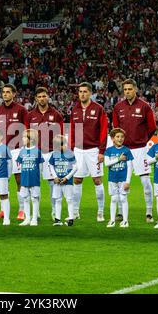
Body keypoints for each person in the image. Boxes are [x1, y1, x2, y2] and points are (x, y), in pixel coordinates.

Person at [112, 79, 156, 222]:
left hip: (140, 150)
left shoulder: (145, 107)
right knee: (119, 182)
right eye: (125, 89)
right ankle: (119, 212)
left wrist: (142, 140)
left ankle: (149, 212)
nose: (127, 92)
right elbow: (116, 128)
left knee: (145, 182)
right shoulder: (118, 107)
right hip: (123, 150)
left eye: (130, 89)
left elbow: (152, 128)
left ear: (136, 89)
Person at [69, 82, 108, 222]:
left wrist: (101, 151)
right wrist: (72, 148)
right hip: (78, 151)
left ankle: (100, 212)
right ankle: (75, 211)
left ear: (91, 93)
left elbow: (104, 130)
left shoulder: (98, 109)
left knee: (97, 180)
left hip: (93, 150)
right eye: (80, 91)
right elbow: (72, 130)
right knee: (77, 180)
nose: (82, 94)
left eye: (85, 91)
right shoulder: (75, 110)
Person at [0, 83, 29, 220]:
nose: (5, 94)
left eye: (8, 92)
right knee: (2, 181)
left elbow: (27, 129)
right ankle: (3, 210)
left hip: (17, 149)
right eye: (4, 92)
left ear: (14, 94)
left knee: (19, 180)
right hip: (2, 150)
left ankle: (21, 210)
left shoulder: (21, 110)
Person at [28, 87, 64, 220]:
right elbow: (26, 134)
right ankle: (35, 212)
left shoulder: (56, 115)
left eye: (44, 96)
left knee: (53, 183)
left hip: (51, 153)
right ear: (36, 99)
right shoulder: (30, 115)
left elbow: (60, 136)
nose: (42, 99)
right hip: (35, 153)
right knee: (33, 183)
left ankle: (55, 211)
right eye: (39, 97)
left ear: (48, 97)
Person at [104, 128, 134, 228]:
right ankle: (112, 220)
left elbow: (130, 166)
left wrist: (128, 181)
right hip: (112, 179)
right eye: (117, 136)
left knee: (123, 198)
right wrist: (118, 159)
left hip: (123, 179)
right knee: (113, 199)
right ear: (112, 138)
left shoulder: (127, 150)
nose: (120, 139)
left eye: (122, 137)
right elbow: (107, 164)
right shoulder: (108, 151)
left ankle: (125, 221)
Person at [16, 129, 44, 226]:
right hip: (24, 179)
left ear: (31, 139)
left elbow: (41, 166)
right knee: (25, 199)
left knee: (34, 199)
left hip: (34, 179)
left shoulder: (37, 151)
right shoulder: (22, 151)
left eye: (24, 137)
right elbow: (20, 164)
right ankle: (27, 218)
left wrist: (38, 177)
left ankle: (34, 219)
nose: (22, 139)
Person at [48, 134, 77, 226]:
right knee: (58, 200)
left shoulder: (70, 154)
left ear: (65, 144)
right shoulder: (54, 154)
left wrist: (67, 177)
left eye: (60, 145)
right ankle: (57, 219)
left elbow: (75, 168)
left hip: (67, 181)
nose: (58, 148)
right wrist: (54, 177)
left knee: (69, 199)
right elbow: (51, 165)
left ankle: (71, 219)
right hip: (57, 181)